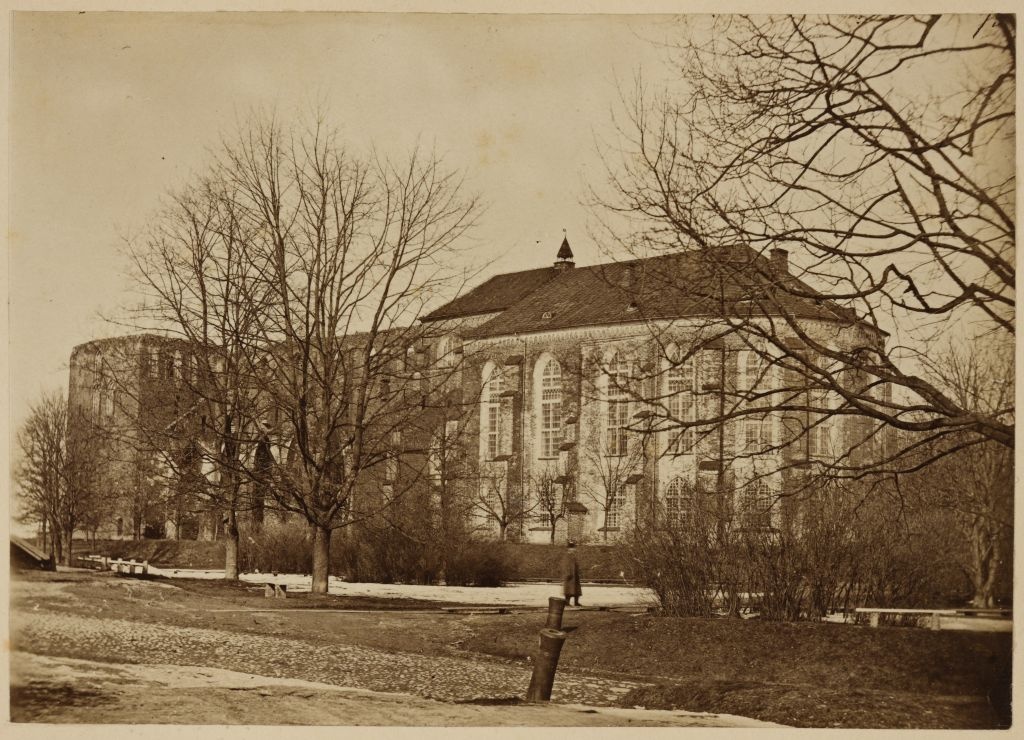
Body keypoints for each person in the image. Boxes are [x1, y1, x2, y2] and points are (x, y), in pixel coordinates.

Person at [560, 540, 581, 607]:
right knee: (568, 590)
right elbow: (565, 565)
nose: (573, 549)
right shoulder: (567, 556)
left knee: (576, 590)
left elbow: (576, 565)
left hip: (575, 576)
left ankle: (576, 602)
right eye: (571, 548)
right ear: (568, 549)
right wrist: (568, 573)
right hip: (569, 576)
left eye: (573, 548)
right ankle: (567, 602)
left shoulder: (573, 556)